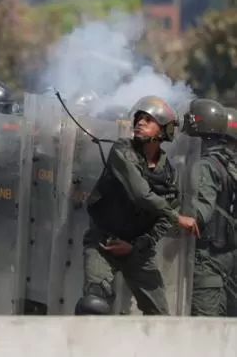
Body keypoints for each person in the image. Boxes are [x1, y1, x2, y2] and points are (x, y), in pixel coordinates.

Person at [75, 96, 199, 315]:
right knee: (94, 304)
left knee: (160, 317)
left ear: (163, 131)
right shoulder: (122, 151)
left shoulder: (169, 174)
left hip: (136, 250)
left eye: (148, 120)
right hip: (103, 243)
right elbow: (140, 193)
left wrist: (136, 247)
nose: (140, 123)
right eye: (138, 118)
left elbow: (161, 223)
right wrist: (177, 218)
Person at [183, 99, 237, 317]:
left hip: (207, 261)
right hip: (228, 260)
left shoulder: (206, 165)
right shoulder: (227, 164)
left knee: (205, 336)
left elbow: (199, 215)